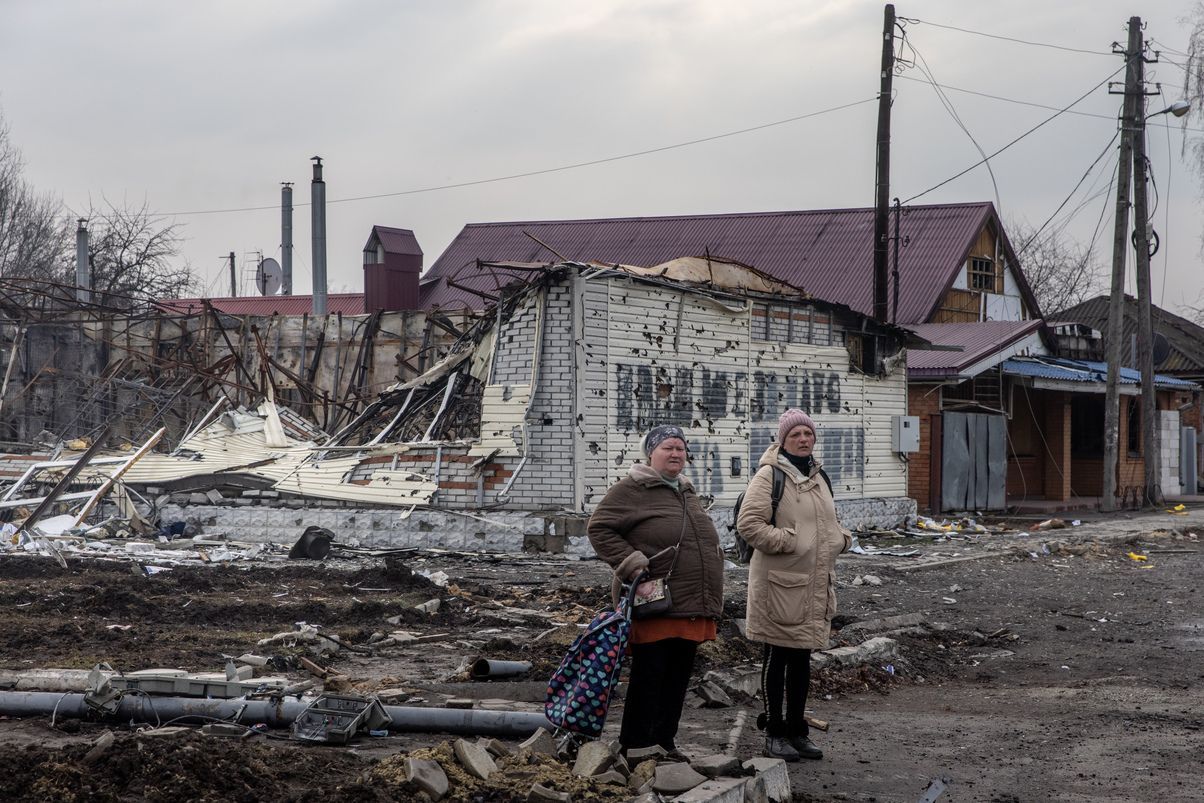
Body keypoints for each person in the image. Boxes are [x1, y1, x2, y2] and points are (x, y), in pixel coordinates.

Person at [587, 424, 724, 759]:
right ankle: (635, 745)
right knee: (649, 678)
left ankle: (665, 742)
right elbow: (599, 528)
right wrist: (631, 563)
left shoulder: (685, 491)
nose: (676, 454)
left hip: (691, 604)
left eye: (680, 448)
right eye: (668, 448)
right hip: (657, 602)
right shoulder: (633, 488)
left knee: (676, 680)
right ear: (651, 453)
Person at [736, 408, 851, 761]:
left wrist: (841, 540)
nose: (803, 439)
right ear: (782, 440)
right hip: (779, 584)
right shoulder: (770, 475)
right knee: (777, 658)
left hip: (813, 583)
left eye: (808, 434)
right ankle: (774, 734)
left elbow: (829, 522)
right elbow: (749, 524)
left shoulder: (819, 476)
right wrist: (790, 541)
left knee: (801, 660)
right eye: (795, 435)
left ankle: (797, 732)